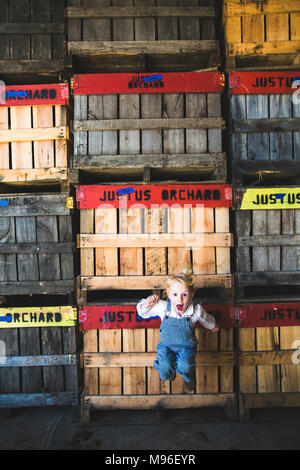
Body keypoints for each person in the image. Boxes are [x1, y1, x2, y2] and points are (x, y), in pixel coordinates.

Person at [136, 269, 219, 392]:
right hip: (167, 346)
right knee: (164, 365)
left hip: (186, 347)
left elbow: (206, 319)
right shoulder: (163, 307)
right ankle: (168, 374)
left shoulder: (195, 310)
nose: (179, 300)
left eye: (184, 295)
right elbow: (142, 312)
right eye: (175, 295)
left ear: (192, 294)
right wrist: (147, 304)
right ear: (168, 294)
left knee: (185, 365)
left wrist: (213, 326)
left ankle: (189, 378)